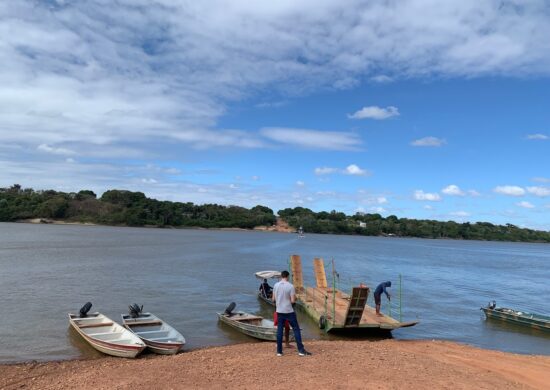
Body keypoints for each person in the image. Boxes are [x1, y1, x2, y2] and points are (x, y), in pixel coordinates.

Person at [272, 270, 311, 356]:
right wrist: (294, 299)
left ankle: (279, 352)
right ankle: (301, 350)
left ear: (281, 276)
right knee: (296, 329)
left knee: (279, 331)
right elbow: (293, 301)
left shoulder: (276, 285)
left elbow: (273, 299)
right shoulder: (290, 286)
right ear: (288, 276)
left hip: (279, 311)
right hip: (289, 311)